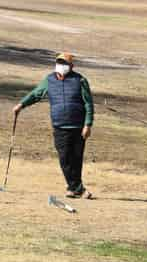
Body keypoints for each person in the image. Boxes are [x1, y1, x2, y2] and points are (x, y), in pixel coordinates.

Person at [13, 52, 94, 199]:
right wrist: (21, 104)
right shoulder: (49, 80)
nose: (61, 65)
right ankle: (78, 189)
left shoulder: (80, 80)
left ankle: (72, 188)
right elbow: (36, 94)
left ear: (71, 66)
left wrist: (88, 124)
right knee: (64, 158)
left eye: (64, 63)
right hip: (59, 125)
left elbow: (89, 103)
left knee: (76, 159)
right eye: (59, 62)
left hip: (78, 126)